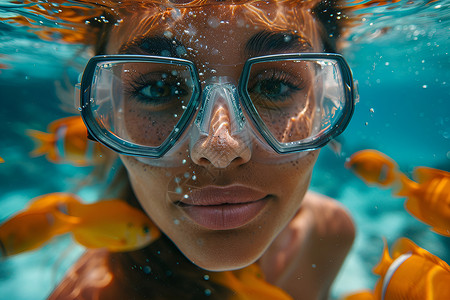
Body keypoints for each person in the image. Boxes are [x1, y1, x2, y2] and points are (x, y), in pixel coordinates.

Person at [48, 0, 357, 299]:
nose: (220, 149)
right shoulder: (90, 294)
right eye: (160, 89)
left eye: (273, 86)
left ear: (327, 100)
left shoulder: (330, 233)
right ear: (107, 109)